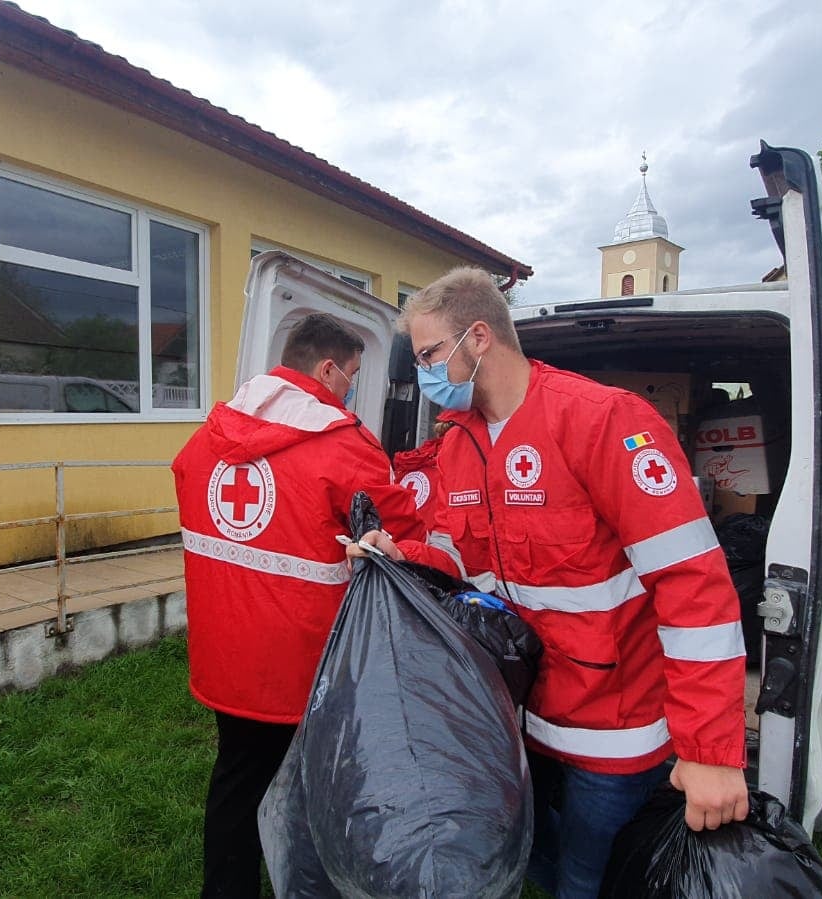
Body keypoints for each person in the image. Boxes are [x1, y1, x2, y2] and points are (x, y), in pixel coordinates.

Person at [358, 267, 749, 899]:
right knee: (525, 851)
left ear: (478, 337)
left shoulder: (604, 422)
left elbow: (694, 589)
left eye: (431, 354)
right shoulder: (460, 444)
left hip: (613, 728)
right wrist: (397, 554)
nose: (425, 372)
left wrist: (709, 750)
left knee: (583, 880)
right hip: (521, 714)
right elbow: (459, 559)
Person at [171, 312, 445, 899]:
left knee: (237, 785)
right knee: (320, 797)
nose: (349, 389)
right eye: (350, 375)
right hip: (308, 672)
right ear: (325, 369)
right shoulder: (344, 450)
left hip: (225, 658)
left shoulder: (205, 439)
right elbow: (405, 532)